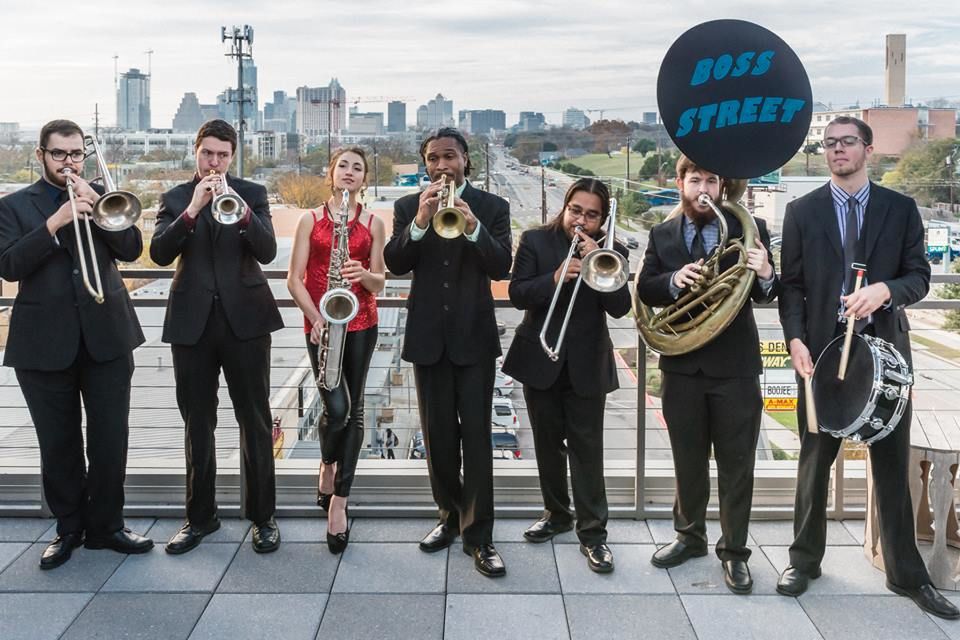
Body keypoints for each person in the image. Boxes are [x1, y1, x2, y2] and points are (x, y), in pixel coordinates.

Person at [776, 116, 958, 619]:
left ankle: (907, 575)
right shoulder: (801, 211)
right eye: (830, 143)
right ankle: (803, 561)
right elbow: (791, 286)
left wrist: (885, 292)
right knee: (814, 465)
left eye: (847, 142)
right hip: (820, 356)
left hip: (886, 359)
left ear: (868, 150)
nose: (837, 150)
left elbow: (918, 277)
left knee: (892, 469)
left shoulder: (900, 210)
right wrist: (793, 338)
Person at [0, 119, 152, 568]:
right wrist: (55, 222)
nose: (69, 162)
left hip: (106, 336)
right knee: (58, 442)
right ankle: (69, 529)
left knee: (110, 439)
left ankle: (108, 527)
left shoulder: (102, 195)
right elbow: (8, 266)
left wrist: (97, 206)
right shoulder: (14, 206)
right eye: (59, 154)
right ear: (41, 155)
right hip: (43, 342)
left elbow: (130, 248)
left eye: (75, 153)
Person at [637, 155, 778, 594]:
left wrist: (766, 272)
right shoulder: (662, 233)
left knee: (738, 466)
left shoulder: (747, 229)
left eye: (711, 180)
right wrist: (675, 279)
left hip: (735, 368)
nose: (703, 187)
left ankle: (734, 553)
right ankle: (689, 537)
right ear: (680, 182)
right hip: (682, 367)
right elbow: (645, 288)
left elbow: (764, 293)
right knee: (687, 461)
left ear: (723, 187)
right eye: (694, 178)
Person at [151, 119, 284, 555]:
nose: (214, 162)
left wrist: (240, 210)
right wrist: (191, 210)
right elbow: (159, 253)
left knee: (256, 421)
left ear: (233, 156)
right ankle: (199, 517)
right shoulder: (174, 198)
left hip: (246, 321)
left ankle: (263, 518)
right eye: (207, 153)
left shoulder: (254, 194)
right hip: (192, 324)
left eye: (222, 155)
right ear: (196, 151)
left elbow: (265, 251)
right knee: (197, 423)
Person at [384, 127, 512, 577]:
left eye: (450, 157)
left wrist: (473, 225)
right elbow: (395, 264)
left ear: (465, 161)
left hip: (474, 337)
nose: (442, 166)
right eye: (434, 159)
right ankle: (449, 518)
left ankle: (480, 536)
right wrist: (419, 223)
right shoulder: (406, 207)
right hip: (427, 338)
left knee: (476, 438)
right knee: (438, 437)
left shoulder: (493, 207)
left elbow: (502, 265)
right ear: (425, 164)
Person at [503, 178, 630, 573]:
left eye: (591, 215)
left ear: (602, 218)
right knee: (546, 445)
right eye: (576, 210)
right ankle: (557, 514)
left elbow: (621, 308)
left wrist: (599, 263)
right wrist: (554, 278)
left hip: (588, 364)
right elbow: (517, 293)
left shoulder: (613, 251)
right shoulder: (536, 240)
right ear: (566, 206)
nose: (581, 220)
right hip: (540, 357)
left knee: (587, 452)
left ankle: (594, 536)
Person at [287, 146, 385, 554]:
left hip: (362, 323)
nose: (349, 172)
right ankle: (327, 464)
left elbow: (380, 282)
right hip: (322, 324)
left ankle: (339, 503)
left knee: (356, 409)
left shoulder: (375, 223)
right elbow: (294, 279)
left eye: (357, 168)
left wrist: (364, 273)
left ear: (364, 178)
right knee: (337, 409)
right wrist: (318, 319)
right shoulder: (310, 220)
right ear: (331, 174)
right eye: (342, 165)